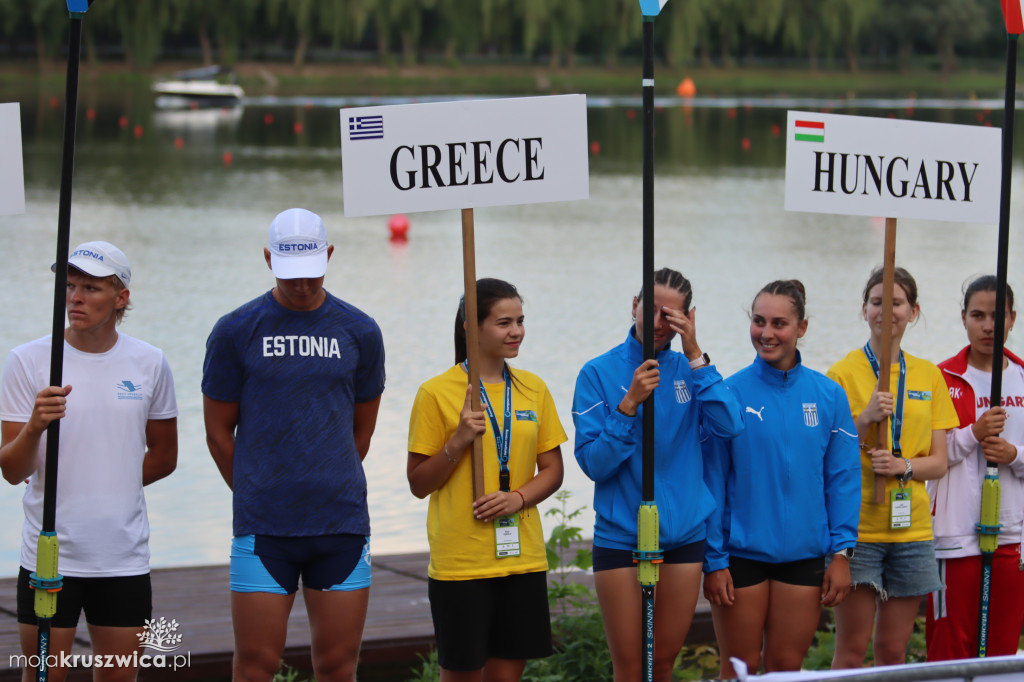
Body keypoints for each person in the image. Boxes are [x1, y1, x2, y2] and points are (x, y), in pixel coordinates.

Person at [202, 208, 385, 682]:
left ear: (328, 255)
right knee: (256, 666)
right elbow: (219, 433)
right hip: (264, 528)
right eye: (289, 275)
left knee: (337, 667)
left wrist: (324, 472)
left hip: (340, 523)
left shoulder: (360, 331)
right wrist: (255, 487)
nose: (301, 285)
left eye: (311, 273)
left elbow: (361, 430)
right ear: (267, 259)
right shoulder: (235, 331)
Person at [1, 241, 178, 682]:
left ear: (122, 298)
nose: (75, 298)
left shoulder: (150, 362)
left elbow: (165, 456)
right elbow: (11, 469)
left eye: (91, 288)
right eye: (70, 286)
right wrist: (34, 427)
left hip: (123, 557)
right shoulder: (28, 360)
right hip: (49, 556)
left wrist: (111, 483)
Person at [572, 267, 743, 682]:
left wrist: (696, 352)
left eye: (671, 315)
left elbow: (730, 425)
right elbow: (595, 463)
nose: (658, 324)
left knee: (663, 663)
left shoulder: (689, 369)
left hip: (683, 535)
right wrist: (629, 405)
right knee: (631, 668)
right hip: (622, 535)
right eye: (650, 310)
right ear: (633, 306)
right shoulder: (598, 373)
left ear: (687, 317)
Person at [407, 278, 565, 682]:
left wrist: (518, 498)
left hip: (521, 560)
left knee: (507, 676)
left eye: (520, 321)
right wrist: (458, 441)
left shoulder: (534, 389)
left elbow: (553, 470)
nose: (516, 332)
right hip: (461, 564)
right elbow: (419, 483)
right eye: (503, 322)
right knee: (461, 675)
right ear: (470, 326)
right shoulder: (437, 392)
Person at [702, 280, 860, 677]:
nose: (766, 333)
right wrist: (715, 559)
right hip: (741, 557)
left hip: (803, 557)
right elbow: (714, 481)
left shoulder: (829, 395)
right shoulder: (729, 393)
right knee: (739, 670)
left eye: (779, 323)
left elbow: (841, 478)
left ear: (802, 328)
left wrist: (842, 553)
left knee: (786, 669)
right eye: (758, 321)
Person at [827, 266, 958, 668]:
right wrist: (864, 419)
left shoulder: (929, 375)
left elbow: (939, 463)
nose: (887, 311)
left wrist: (902, 466)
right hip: (859, 529)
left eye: (896, 303)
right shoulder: (842, 373)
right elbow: (828, 454)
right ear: (864, 309)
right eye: (878, 302)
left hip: (912, 530)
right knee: (850, 651)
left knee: (893, 653)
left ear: (913, 311)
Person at [927, 275, 1024, 660]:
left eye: (997, 317)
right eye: (978, 315)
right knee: (951, 647)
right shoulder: (941, 377)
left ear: (1012, 319)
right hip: (956, 537)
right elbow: (930, 455)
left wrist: (1013, 454)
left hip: (1012, 534)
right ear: (963, 318)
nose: (988, 327)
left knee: (1000, 651)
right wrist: (973, 434)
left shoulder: (1022, 376)